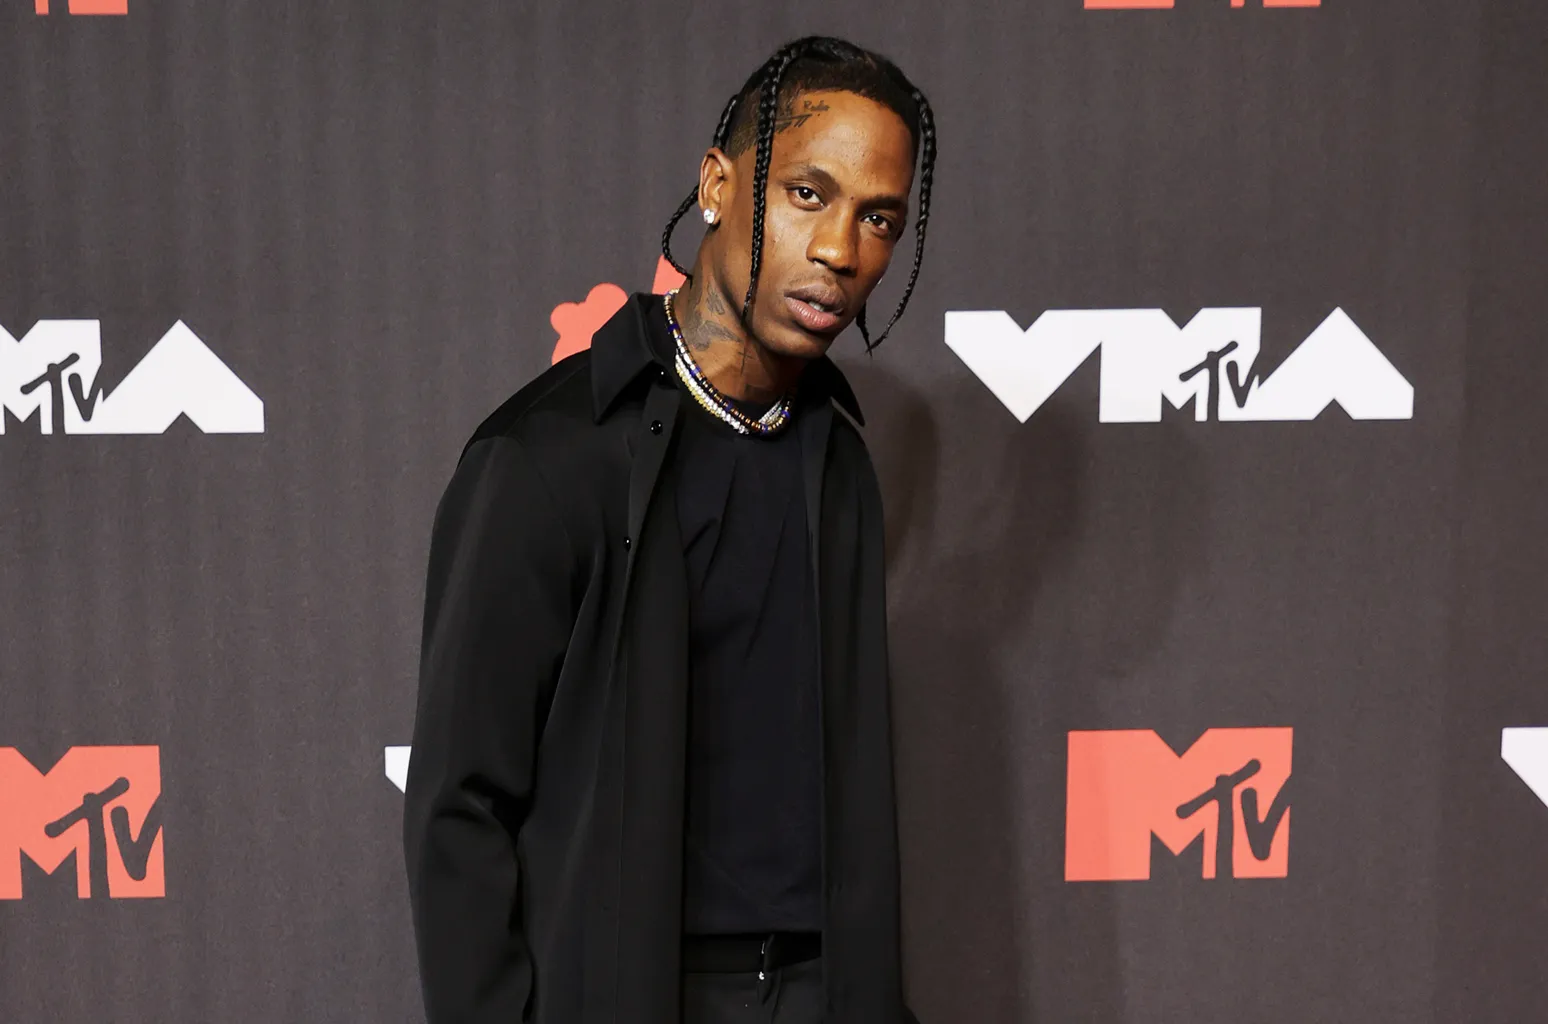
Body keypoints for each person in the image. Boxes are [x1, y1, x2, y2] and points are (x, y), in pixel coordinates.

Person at [403, 34, 937, 1024]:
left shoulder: (838, 465)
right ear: (718, 185)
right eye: (807, 194)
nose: (840, 251)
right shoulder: (549, 457)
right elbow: (458, 805)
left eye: (879, 219)